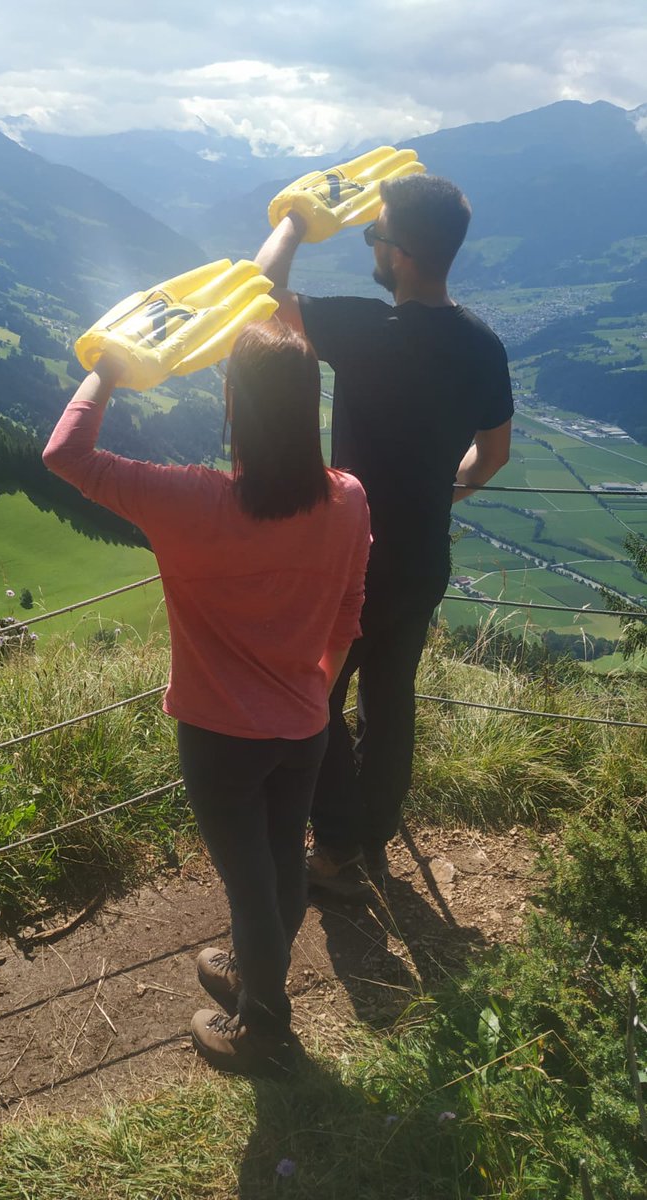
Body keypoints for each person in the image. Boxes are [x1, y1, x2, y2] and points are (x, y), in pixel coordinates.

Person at [43, 321, 370, 1074]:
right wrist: (314, 687)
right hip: (304, 724)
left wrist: (109, 370)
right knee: (282, 862)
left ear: (234, 403)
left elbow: (66, 454)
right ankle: (258, 970)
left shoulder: (192, 502)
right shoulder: (347, 499)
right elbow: (350, 610)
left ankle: (261, 1024)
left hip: (220, 739)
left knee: (251, 884)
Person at [254, 173, 514, 899]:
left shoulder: (368, 330)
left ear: (398, 253)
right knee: (391, 699)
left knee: (319, 697)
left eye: (373, 234)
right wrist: (444, 488)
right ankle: (372, 836)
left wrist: (298, 223)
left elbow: (260, 296)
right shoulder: (483, 346)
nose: (368, 243)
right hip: (425, 557)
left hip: (354, 560)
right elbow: (493, 455)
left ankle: (335, 848)